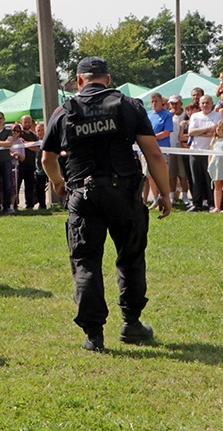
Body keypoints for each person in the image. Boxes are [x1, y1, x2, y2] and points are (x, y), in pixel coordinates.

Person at [41, 57, 171, 352]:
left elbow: (47, 158)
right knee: (131, 257)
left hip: (83, 196)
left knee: (86, 262)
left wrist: (59, 183)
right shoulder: (129, 105)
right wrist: (164, 193)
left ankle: (94, 335)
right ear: (108, 80)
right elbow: (153, 153)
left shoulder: (64, 111)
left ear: (79, 81)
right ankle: (132, 323)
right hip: (124, 194)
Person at [184, 96, 220, 211]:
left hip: (211, 152)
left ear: (212, 103)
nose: (205, 105)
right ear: (199, 104)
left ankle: (211, 203)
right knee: (196, 179)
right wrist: (208, 129)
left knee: (210, 179)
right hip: (195, 151)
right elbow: (191, 132)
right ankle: (197, 203)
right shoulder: (195, 116)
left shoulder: (218, 116)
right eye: (203, 103)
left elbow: (216, 133)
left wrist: (199, 132)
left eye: (207, 103)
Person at [208, 120, 223, 212]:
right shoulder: (214, 140)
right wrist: (209, 164)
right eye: (219, 130)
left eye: (222, 130)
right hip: (215, 166)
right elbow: (210, 153)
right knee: (217, 186)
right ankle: (217, 207)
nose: (220, 132)